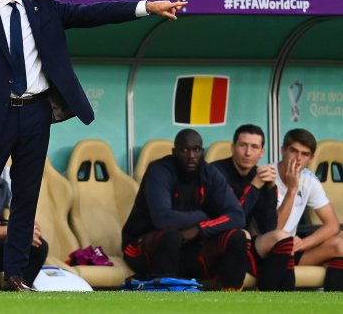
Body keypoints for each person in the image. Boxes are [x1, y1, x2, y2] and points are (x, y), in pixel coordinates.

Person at [0, 0, 186, 292]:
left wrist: (146, 7)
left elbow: (93, 14)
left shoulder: (44, 7)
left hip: (35, 113)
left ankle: (16, 276)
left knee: (27, 197)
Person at [121, 129, 248, 290]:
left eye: (196, 150)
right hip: (142, 248)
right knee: (171, 236)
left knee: (237, 236)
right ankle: (165, 294)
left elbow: (237, 216)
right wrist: (201, 216)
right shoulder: (160, 171)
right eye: (185, 150)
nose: (191, 156)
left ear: (202, 151)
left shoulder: (209, 173)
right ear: (174, 152)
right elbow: (163, 219)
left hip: (191, 248)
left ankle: (231, 297)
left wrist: (199, 229)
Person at [211, 124, 294, 291]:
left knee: (283, 237)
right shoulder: (215, 172)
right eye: (243, 145)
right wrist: (255, 186)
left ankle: (271, 297)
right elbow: (232, 219)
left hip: (247, 244)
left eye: (254, 147)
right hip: (218, 243)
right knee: (241, 235)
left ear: (262, 152)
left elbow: (269, 227)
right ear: (233, 147)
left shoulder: (260, 176)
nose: (248, 153)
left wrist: (270, 189)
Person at [275, 128, 343, 291]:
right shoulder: (267, 175)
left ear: (311, 159)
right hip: (268, 248)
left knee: (340, 246)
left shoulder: (310, 180)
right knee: (281, 240)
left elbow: (332, 225)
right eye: (293, 151)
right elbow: (274, 229)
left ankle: (332, 305)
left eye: (305, 154)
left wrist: (304, 243)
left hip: (292, 248)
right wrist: (292, 189)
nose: (298, 159)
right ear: (283, 150)